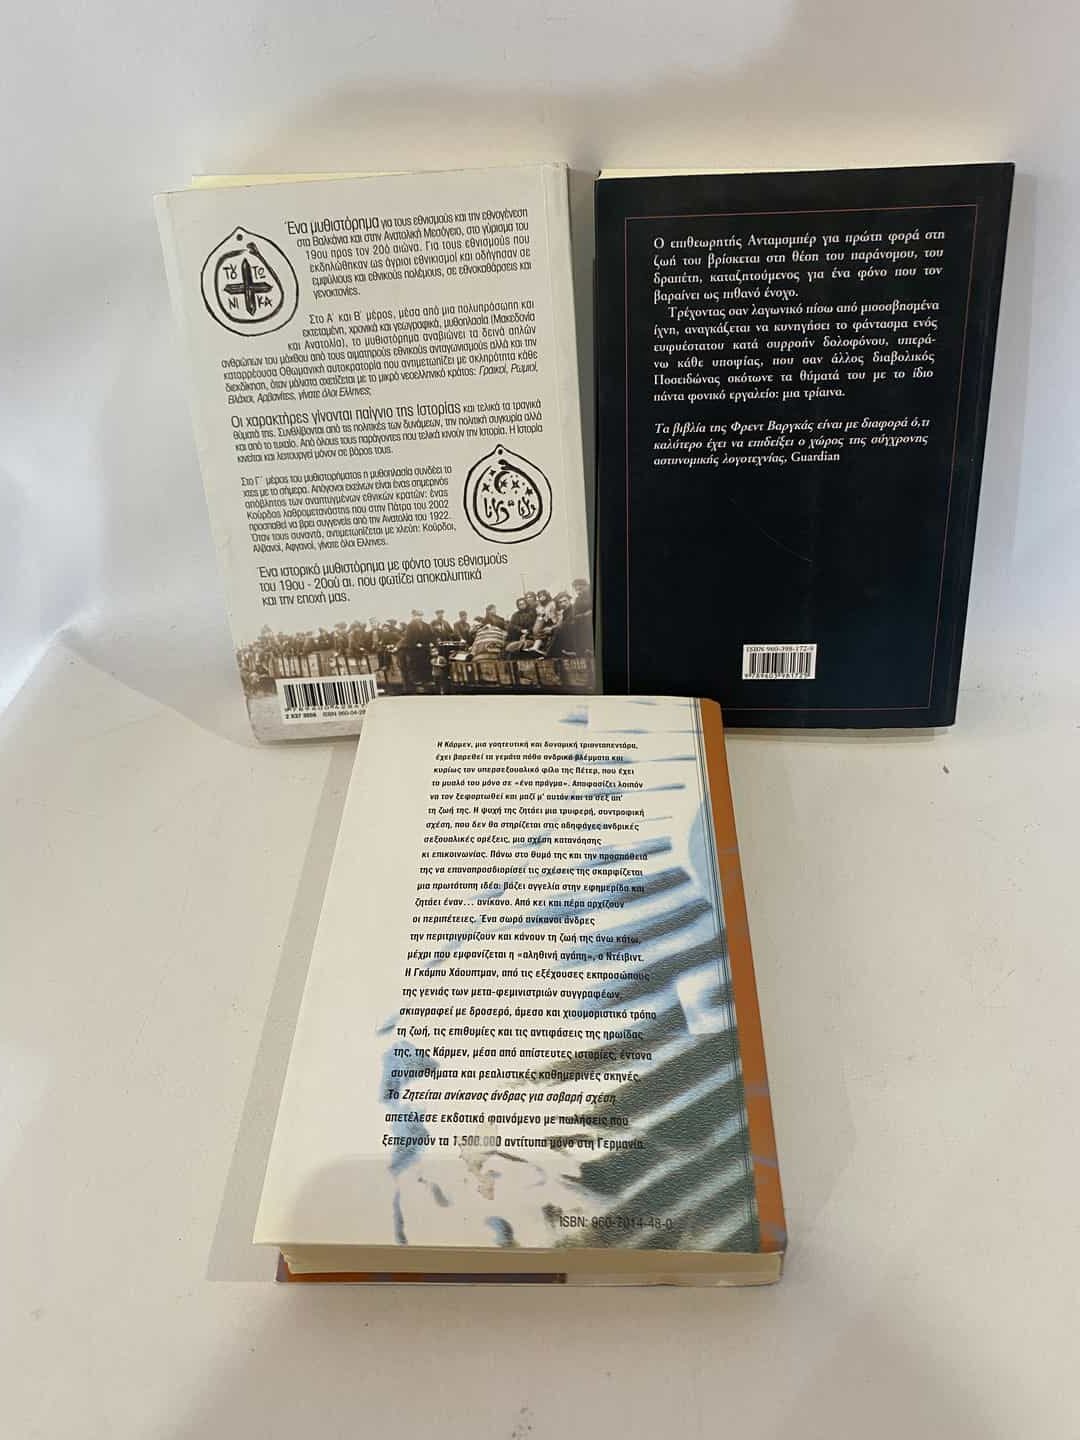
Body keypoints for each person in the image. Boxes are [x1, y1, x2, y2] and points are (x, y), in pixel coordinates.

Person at [401, 609, 434, 691]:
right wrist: (415, 644)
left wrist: (432, 642)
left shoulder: (426, 625)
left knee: (427, 664)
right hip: (415, 650)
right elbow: (408, 638)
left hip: (425, 648)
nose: (419, 617)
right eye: (417, 616)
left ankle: (427, 680)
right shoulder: (410, 626)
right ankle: (418, 682)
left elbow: (431, 635)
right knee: (416, 665)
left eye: (420, 616)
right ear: (414, 616)